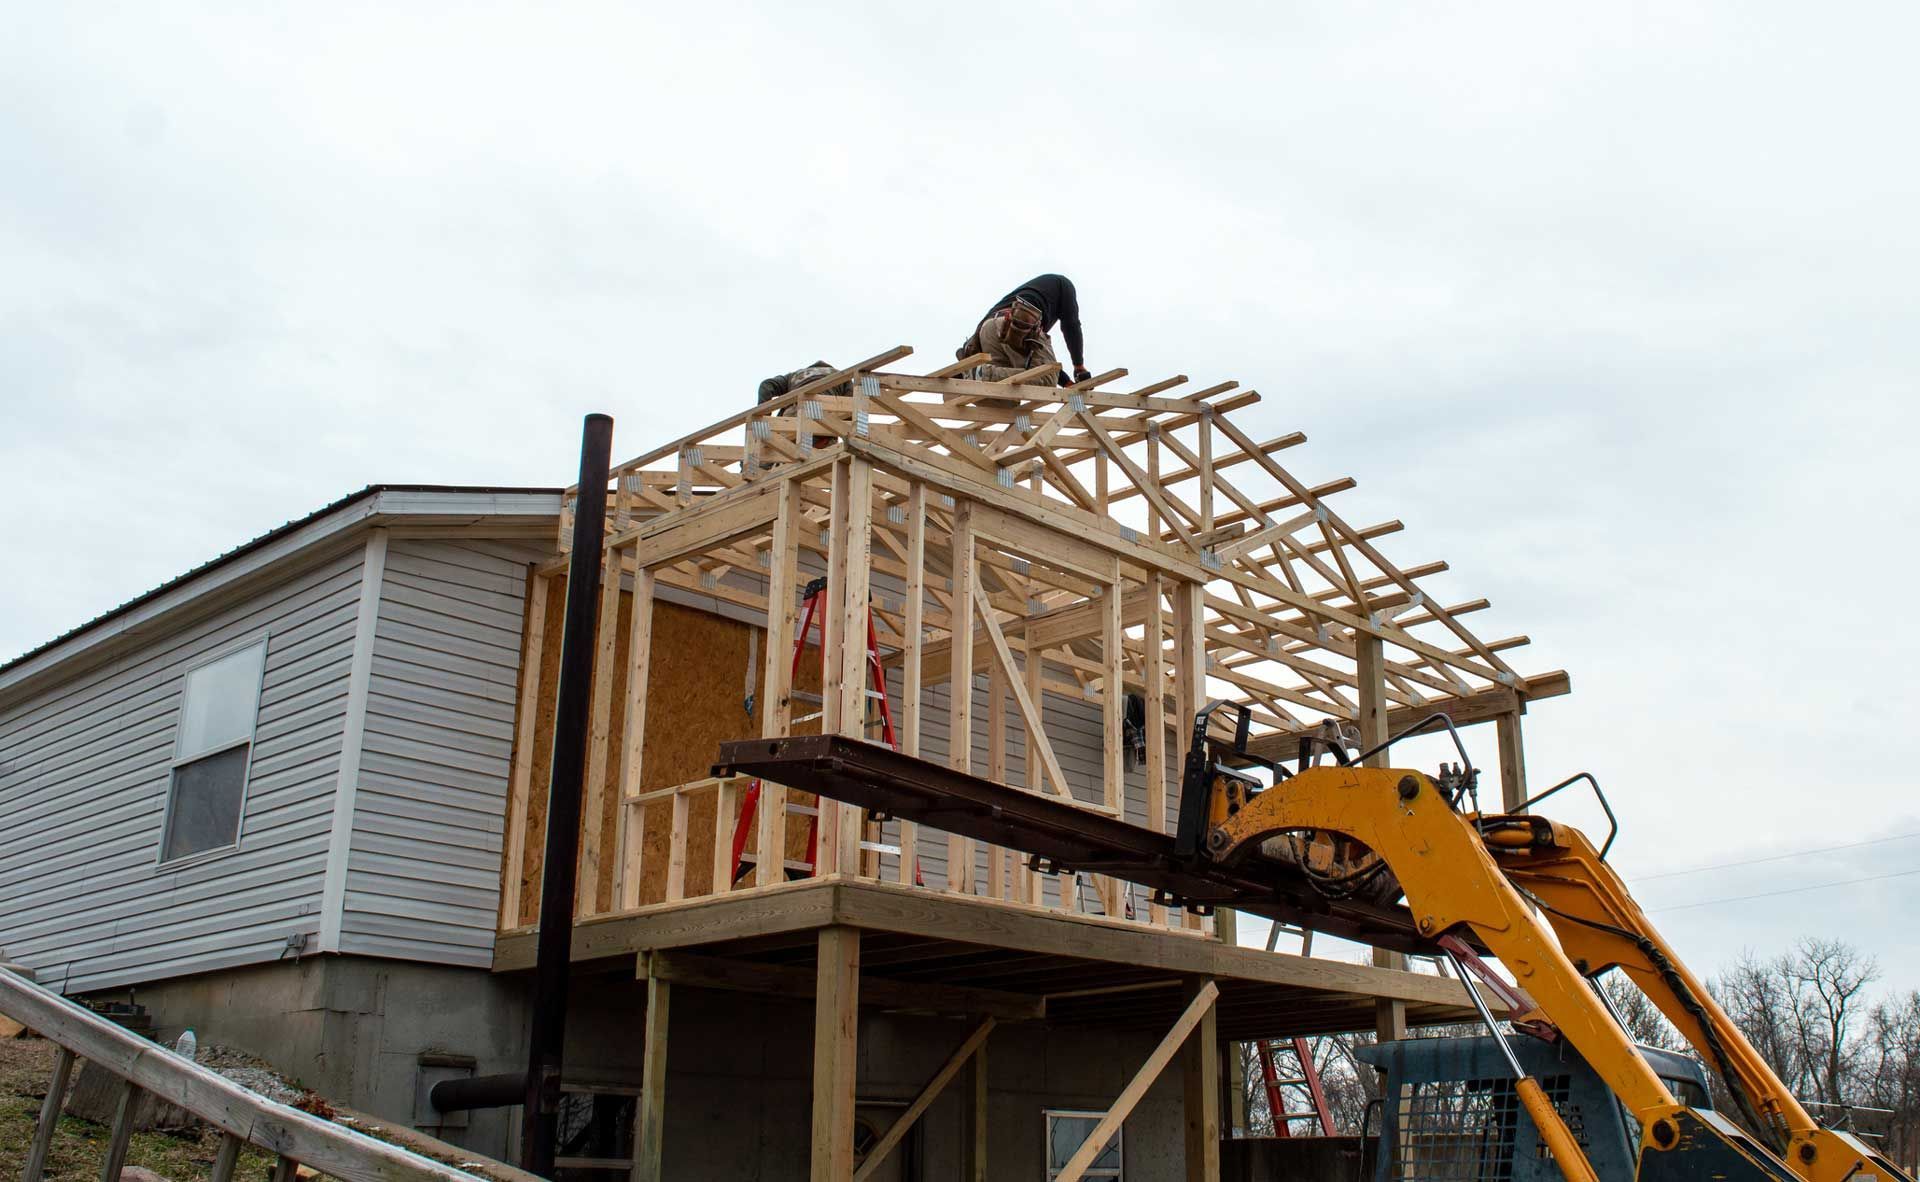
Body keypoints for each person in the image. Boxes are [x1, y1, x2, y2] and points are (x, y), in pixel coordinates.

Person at [957, 273, 1092, 388]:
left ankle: (973, 375)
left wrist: (1066, 382)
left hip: (988, 329)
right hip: (1016, 323)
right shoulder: (1065, 285)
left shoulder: (1036, 293)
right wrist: (1078, 366)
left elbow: (1038, 366)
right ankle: (982, 374)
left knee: (1006, 393)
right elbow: (1071, 325)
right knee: (1046, 378)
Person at [756, 360, 846, 408]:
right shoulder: (840, 375)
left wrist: (764, 417)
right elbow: (853, 405)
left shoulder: (795, 375)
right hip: (825, 413)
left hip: (793, 415)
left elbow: (766, 385)